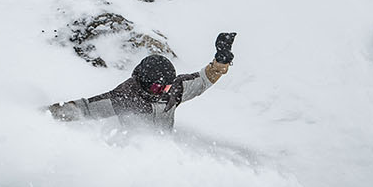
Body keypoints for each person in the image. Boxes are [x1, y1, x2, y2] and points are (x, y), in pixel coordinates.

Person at [49, 33, 235, 129]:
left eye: (167, 85)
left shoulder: (173, 92)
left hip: (163, 156)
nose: (163, 91)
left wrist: (221, 61)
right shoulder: (125, 97)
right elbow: (85, 109)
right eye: (157, 87)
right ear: (144, 83)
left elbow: (203, 80)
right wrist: (39, 117)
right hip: (130, 158)